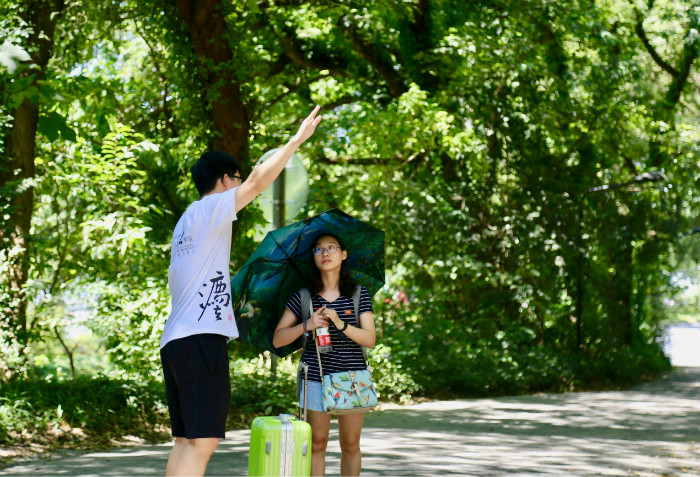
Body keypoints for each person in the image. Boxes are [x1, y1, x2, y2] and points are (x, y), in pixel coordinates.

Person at [159, 106, 322, 477]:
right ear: (223, 180)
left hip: (177, 340)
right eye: (235, 178)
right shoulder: (211, 208)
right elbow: (257, 184)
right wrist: (295, 142)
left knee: (185, 441)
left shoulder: (187, 221)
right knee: (202, 442)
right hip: (200, 339)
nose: (239, 185)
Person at [272, 233, 376, 477]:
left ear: (343, 254)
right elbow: (278, 339)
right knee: (316, 444)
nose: (325, 253)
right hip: (315, 379)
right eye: (318, 249)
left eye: (331, 247)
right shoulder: (303, 296)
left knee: (350, 444)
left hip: (352, 379)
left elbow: (370, 339)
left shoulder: (359, 294)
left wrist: (340, 324)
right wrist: (306, 325)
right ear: (314, 257)